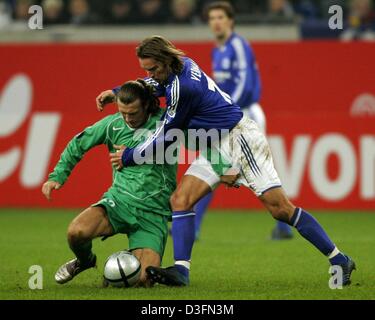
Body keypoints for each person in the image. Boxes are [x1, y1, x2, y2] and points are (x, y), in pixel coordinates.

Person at [96, 35, 356, 287]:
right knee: (181, 200)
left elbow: (166, 135)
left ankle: (339, 259)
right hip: (216, 143)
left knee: (280, 209)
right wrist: (117, 91)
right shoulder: (180, 67)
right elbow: (151, 86)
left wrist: (130, 156)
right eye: (146, 69)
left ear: (164, 61)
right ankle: (181, 271)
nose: (150, 73)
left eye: (152, 68)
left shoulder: (182, 87)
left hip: (240, 139)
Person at [42, 80, 178, 287]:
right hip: (119, 202)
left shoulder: (167, 124)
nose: (127, 118)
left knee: (142, 280)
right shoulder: (112, 125)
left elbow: (204, 139)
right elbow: (78, 144)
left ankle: (121, 261)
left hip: (153, 213)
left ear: (147, 105)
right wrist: (57, 176)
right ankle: (85, 261)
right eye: (123, 112)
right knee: (76, 233)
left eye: (133, 113)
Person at [192, 1, 293, 241]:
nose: (216, 21)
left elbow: (245, 83)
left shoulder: (238, 45)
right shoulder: (217, 50)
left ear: (231, 21)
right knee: (213, 163)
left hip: (245, 115)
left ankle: (285, 224)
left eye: (220, 17)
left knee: (245, 171)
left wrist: (225, 111)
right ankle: (285, 227)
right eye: (212, 18)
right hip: (230, 115)